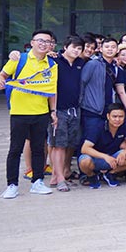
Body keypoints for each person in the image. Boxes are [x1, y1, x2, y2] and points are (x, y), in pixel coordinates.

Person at [0, 29, 58, 198]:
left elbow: (51, 91)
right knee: (15, 150)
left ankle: (37, 182)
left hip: (41, 112)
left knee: (38, 149)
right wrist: (0, 82)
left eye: (48, 41)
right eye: (40, 40)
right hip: (19, 112)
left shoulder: (52, 65)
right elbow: (1, 76)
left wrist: (53, 111)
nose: (44, 44)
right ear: (32, 43)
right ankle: (12, 185)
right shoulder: (19, 59)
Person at [48, 35, 85, 191]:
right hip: (58, 110)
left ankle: (60, 174)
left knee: (69, 144)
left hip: (74, 110)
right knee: (58, 145)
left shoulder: (80, 63)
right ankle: (60, 178)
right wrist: (53, 111)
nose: (76, 51)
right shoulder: (54, 62)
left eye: (79, 48)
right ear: (65, 47)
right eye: (74, 47)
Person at [77, 103, 126, 189]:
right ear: (108, 116)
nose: (117, 119)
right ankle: (92, 176)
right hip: (96, 159)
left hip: (113, 158)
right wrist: (105, 157)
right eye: (114, 116)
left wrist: (124, 152)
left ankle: (111, 174)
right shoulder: (97, 126)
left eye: (121, 117)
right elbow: (85, 148)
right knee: (84, 161)